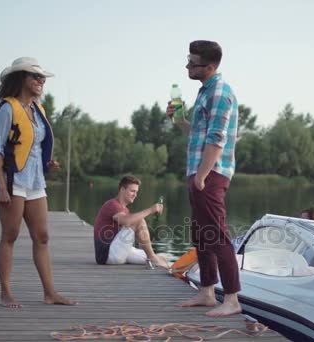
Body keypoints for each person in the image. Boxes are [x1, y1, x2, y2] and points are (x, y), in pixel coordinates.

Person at [0, 57, 76, 308]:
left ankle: (50, 293)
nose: (40, 82)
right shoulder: (7, 108)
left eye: (42, 78)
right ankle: (6, 293)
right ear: (21, 78)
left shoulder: (38, 110)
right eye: (35, 77)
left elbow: (32, 146)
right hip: (13, 181)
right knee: (10, 235)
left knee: (43, 237)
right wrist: (2, 187)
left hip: (36, 181)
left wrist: (48, 164)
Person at [166, 40, 241, 317]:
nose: (187, 66)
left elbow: (216, 139)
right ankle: (207, 292)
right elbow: (197, 133)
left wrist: (202, 175)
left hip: (211, 174)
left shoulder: (220, 93)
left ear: (210, 67)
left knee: (217, 235)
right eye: (188, 61)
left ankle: (232, 299)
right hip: (200, 171)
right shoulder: (204, 92)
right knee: (201, 234)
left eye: (192, 63)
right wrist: (178, 122)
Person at [93, 175, 169, 268]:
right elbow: (127, 221)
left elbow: (132, 231)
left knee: (161, 259)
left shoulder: (125, 210)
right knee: (139, 221)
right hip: (107, 255)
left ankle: (174, 272)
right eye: (132, 191)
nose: (135, 195)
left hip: (118, 251)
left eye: (136, 192)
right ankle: (152, 257)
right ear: (122, 189)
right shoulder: (112, 204)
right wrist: (150, 210)